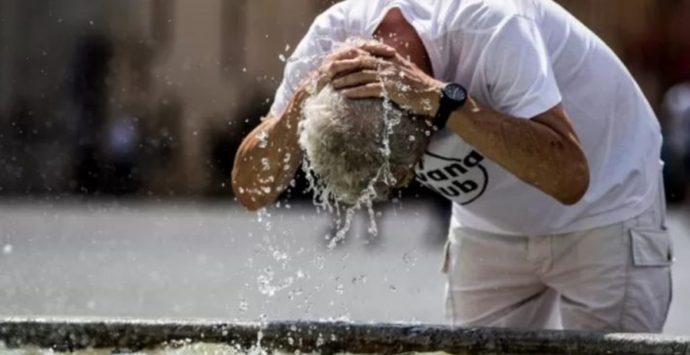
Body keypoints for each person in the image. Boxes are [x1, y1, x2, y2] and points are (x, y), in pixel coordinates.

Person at [232, 0, 672, 332]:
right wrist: (297, 105)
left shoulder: (492, 23)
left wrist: (443, 100)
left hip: (606, 201)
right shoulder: (331, 39)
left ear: (426, 127)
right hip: (489, 224)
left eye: (403, 175)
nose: (404, 185)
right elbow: (252, 192)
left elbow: (571, 179)